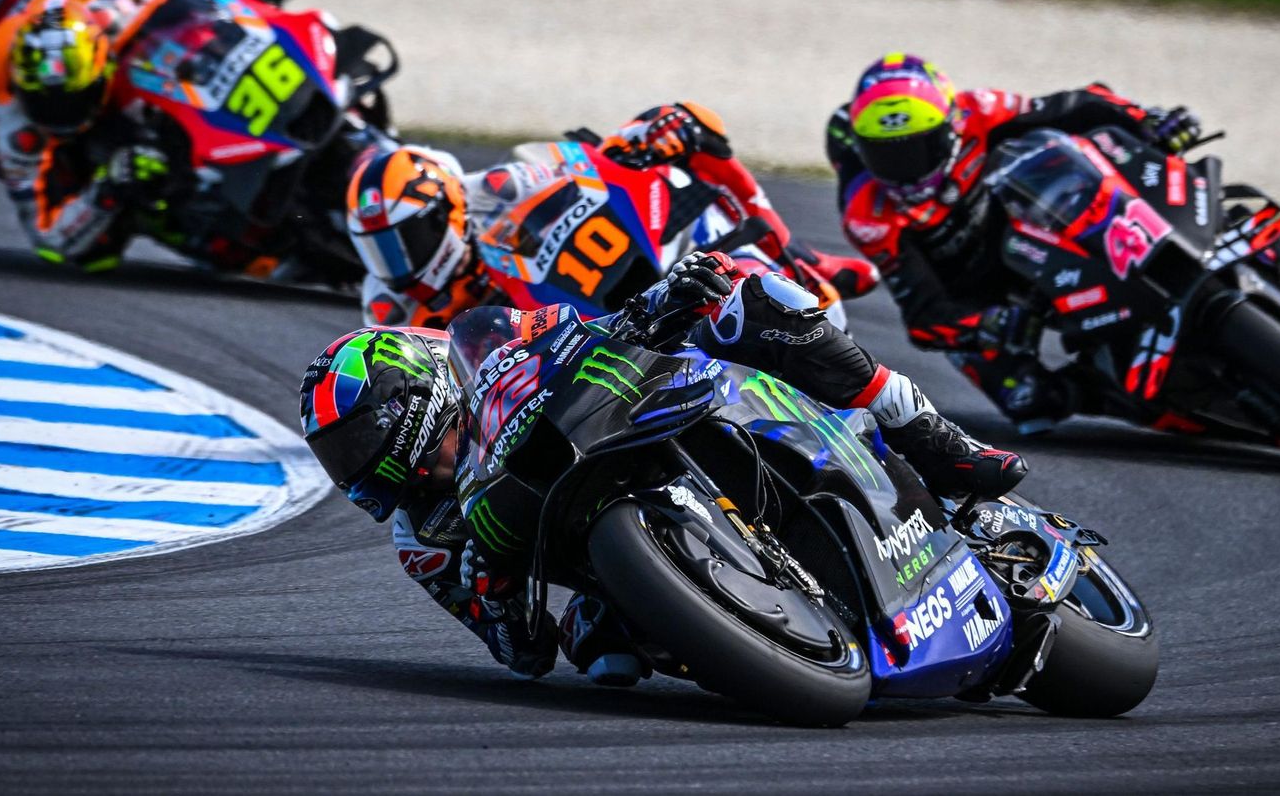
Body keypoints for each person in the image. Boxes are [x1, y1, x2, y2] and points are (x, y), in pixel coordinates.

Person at [299, 250, 1027, 684]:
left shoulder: (500, 345)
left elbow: (583, 332)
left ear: (410, 398)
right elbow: (522, 654)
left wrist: (664, 299)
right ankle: (767, 636)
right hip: (609, 555)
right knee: (601, 654)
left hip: (652, 417)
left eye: (358, 444)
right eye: (341, 459)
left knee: (754, 298)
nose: (358, 467)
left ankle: (934, 439)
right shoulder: (420, 536)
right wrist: (488, 596)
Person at [827, 52, 1280, 433]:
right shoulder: (869, 213)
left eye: (919, 146)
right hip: (987, 293)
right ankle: (1119, 387)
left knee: (1116, 153)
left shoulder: (982, 109)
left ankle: (1212, 247)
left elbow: (1079, 105)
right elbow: (925, 313)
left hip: (1041, 223)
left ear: (951, 126)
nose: (907, 167)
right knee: (1029, 404)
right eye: (886, 154)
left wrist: (1148, 121)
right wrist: (990, 323)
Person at [346, 102, 879, 329]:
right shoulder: (389, 306)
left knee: (691, 125)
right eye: (377, 248)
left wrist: (634, 142)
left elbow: (585, 165)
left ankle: (795, 257)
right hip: (547, 390)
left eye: (404, 239)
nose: (396, 262)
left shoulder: (498, 190)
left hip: (628, 304)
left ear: (448, 211)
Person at [0, 0, 313, 270]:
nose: (62, 112)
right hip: (84, 160)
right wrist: (106, 187)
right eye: (47, 103)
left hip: (103, 47)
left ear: (100, 61)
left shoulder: (107, 14)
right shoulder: (10, 124)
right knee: (96, 254)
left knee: (198, 31)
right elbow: (46, 236)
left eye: (72, 99)